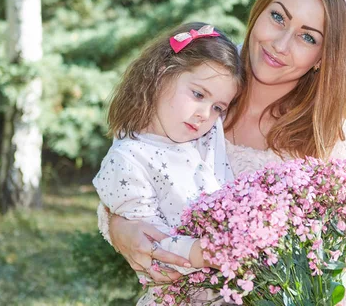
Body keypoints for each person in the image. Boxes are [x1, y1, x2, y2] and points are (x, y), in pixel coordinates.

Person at [99, 0, 346, 305]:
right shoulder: (200, 80)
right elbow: (131, 165)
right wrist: (118, 229)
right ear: (259, 10)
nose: (280, 43)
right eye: (278, 17)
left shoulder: (332, 141)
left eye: (308, 37)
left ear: (324, 56)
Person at [93, 22, 244, 304]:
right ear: (162, 73)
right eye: (198, 94)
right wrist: (213, 252)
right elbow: (148, 245)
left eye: (217, 108)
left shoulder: (208, 135)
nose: (204, 114)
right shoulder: (128, 160)